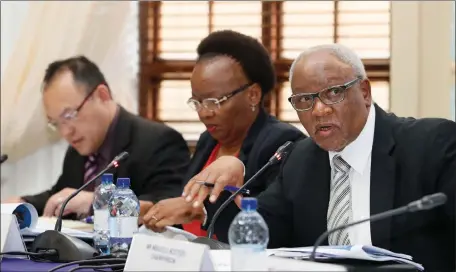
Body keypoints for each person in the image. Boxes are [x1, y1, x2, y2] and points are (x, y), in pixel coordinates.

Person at [182, 44, 456, 271]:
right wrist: (228, 183)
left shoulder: (431, 145)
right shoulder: (300, 159)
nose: (319, 110)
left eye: (333, 93)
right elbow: (263, 236)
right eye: (304, 100)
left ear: (364, 92)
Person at [142, 30, 305, 235]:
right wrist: (154, 210)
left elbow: (274, 226)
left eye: (214, 101)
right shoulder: (208, 140)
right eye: (197, 101)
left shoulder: (281, 143)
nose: (204, 113)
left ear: (253, 95)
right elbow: (186, 208)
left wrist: (199, 211)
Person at [2, 56, 191, 219]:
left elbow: (168, 208)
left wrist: (97, 203)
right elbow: (64, 196)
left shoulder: (158, 141)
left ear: (102, 95)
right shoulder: (80, 146)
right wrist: (23, 203)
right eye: (56, 123)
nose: (65, 132)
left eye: (69, 116)